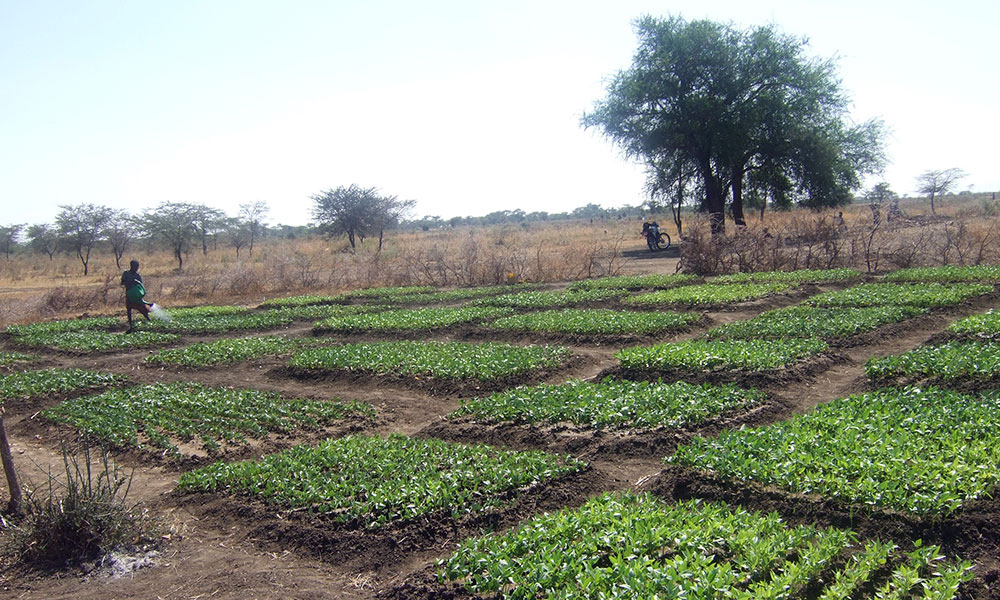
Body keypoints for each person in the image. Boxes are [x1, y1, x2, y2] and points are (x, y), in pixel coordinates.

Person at [120, 259, 152, 333]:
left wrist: (136, 282)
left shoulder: (137, 276)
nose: (136, 268)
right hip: (129, 294)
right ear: (131, 266)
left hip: (136, 295)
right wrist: (131, 282)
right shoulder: (126, 273)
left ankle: (150, 322)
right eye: (135, 267)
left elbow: (140, 285)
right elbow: (122, 282)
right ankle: (131, 325)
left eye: (137, 267)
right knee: (129, 309)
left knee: (142, 309)